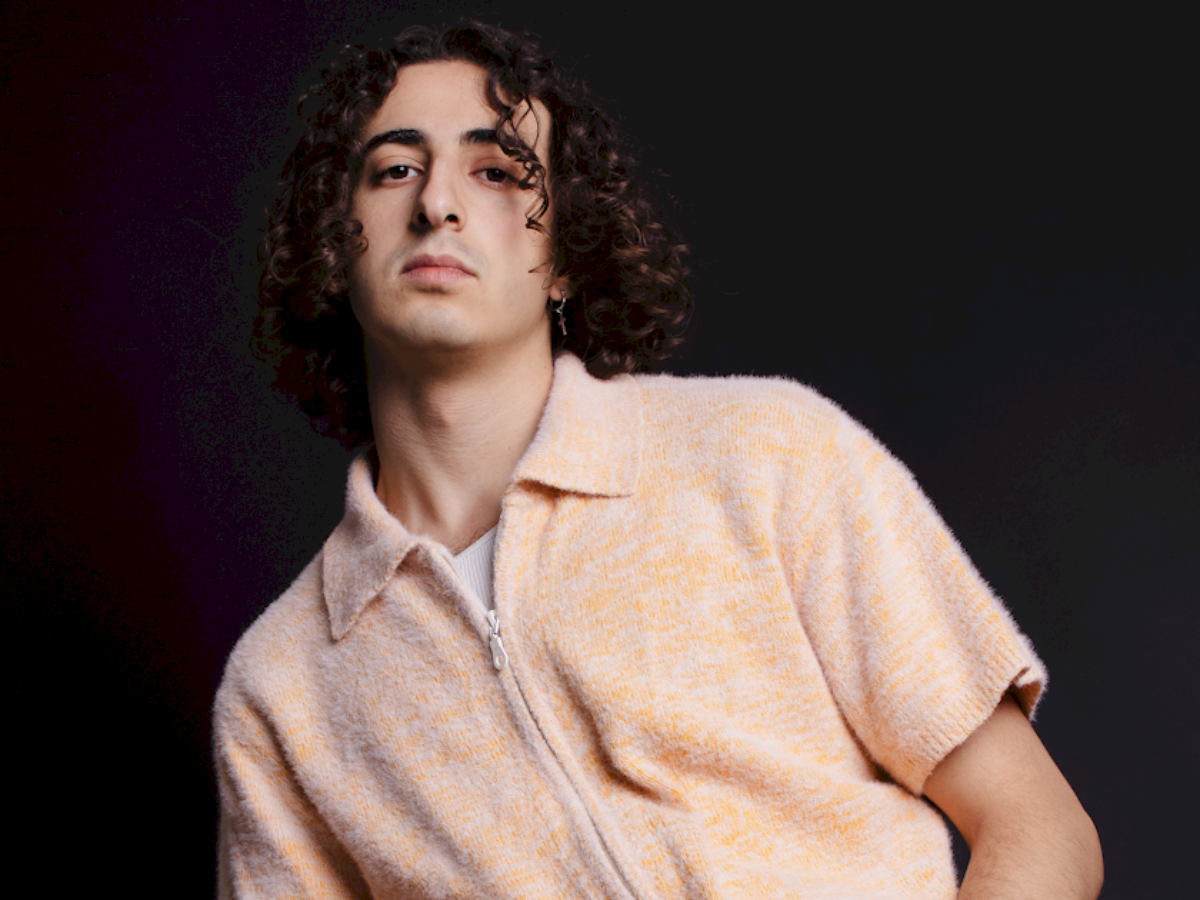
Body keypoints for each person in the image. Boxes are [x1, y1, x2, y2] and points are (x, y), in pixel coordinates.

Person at [214, 20, 1103, 900]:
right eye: (395, 169)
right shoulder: (281, 688)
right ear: (334, 247)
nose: (437, 203)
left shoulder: (768, 456)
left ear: (565, 257)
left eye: (497, 171)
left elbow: (1037, 829)